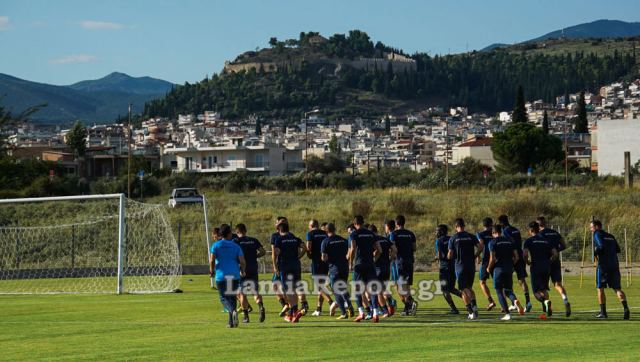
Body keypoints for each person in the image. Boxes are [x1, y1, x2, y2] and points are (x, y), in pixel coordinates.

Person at [591, 220, 630, 320]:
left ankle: (603, 313)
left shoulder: (597, 234)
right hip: (614, 265)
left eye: (591, 227)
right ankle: (626, 309)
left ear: (596, 227)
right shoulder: (611, 236)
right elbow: (618, 249)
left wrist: (595, 252)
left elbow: (601, 246)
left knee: (600, 289)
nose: (591, 229)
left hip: (603, 266)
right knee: (617, 289)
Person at [210, 224, 246, 328]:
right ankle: (231, 322)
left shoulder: (216, 245)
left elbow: (212, 260)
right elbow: (242, 261)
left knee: (223, 297)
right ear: (229, 233)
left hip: (221, 276)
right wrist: (242, 270)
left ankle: (232, 312)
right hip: (234, 275)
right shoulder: (235, 246)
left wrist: (212, 270)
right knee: (232, 297)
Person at [348, 215, 383, 323]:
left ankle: (361, 313)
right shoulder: (371, 234)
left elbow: (353, 249)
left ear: (355, 224)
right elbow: (379, 250)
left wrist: (350, 263)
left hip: (359, 264)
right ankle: (376, 314)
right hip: (370, 264)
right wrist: (373, 259)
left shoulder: (354, 234)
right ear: (363, 222)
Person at [487, 224, 524, 320]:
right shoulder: (510, 241)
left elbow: (492, 258)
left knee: (499, 290)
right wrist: (511, 265)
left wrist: (488, 268)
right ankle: (515, 301)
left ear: (493, 233)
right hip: (509, 268)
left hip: (498, 269)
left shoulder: (492, 242)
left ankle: (507, 314)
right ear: (501, 231)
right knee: (508, 290)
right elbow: (517, 257)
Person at [273, 222, 308, 323]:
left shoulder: (279, 239)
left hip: (285, 266)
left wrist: (276, 266)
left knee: (289, 289)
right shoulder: (295, 238)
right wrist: (298, 256)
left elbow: (276, 253)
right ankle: (294, 312)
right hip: (296, 265)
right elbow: (305, 248)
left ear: (279, 230)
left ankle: (294, 310)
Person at [537, 216, 571, 317]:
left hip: (545, 261)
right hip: (556, 261)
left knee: (542, 287)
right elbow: (564, 245)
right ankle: (565, 301)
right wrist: (556, 252)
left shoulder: (540, 234)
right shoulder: (555, 233)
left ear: (538, 225)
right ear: (546, 223)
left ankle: (548, 307)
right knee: (557, 284)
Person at [447, 218, 481, 319]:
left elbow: (450, 254)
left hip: (460, 266)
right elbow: (480, 246)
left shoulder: (453, 238)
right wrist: (475, 256)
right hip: (471, 266)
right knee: (469, 288)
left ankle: (471, 312)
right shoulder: (471, 236)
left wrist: (449, 257)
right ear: (464, 226)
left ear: (456, 227)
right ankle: (474, 307)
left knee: (463, 290)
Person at [321, 223, 355, 319]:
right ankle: (348, 306)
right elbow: (350, 251)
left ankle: (344, 311)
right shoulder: (343, 240)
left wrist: (328, 260)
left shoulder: (325, 241)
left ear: (326, 231)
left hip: (334, 268)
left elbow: (324, 257)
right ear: (335, 229)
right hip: (344, 267)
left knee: (336, 290)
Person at [498, 214, 532, 312]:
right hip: (520, 256)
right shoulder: (516, 230)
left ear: (501, 223)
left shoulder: (505, 231)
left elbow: (511, 242)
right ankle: (528, 302)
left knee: (506, 281)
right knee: (522, 280)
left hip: (512, 257)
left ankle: (511, 302)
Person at [523, 221, 557, 317]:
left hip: (535, 267)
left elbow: (525, 254)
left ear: (531, 230)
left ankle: (545, 302)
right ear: (538, 229)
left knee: (536, 291)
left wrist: (527, 262)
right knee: (544, 288)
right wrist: (549, 261)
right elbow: (555, 254)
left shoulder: (529, 241)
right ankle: (546, 308)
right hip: (546, 267)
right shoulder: (547, 240)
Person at [234, 223, 266, 323]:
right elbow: (263, 251)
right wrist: (254, 257)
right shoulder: (253, 240)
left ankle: (246, 317)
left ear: (237, 231)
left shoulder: (236, 241)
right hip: (253, 267)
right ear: (245, 230)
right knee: (255, 290)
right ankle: (260, 306)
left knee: (242, 293)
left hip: (242, 269)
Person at [389, 215, 418, 316]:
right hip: (409, 261)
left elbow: (393, 248)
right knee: (406, 285)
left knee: (400, 286)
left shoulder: (394, 234)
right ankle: (407, 308)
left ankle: (411, 302)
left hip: (399, 262)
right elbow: (414, 248)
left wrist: (390, 258)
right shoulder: (411, 234)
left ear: (396, 224)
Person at [306, 219, 336, 316]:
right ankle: (318, 309)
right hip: (326, 262)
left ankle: (331, 302)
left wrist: (308, 254)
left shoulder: (310, 234)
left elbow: (309, 247)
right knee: (322, 285)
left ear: (311, 226)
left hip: (316, 262)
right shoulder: (325, 233)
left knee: (319, 286)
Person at [435, 224, 462, 314]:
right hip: (454, 266)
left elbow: (439, 255)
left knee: (444, 290)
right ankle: (469, 299)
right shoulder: (452, 238)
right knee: (451, 288)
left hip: (444, 267)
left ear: (441, 231)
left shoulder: (439, 241)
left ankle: (454, 309)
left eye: (437, 231)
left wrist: (436, 258)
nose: (436, 233)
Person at [371, 223, 397, 317]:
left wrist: (374, 258)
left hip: (378, 268)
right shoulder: (386, 239)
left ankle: (386, 311)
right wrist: (391, 259)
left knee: (378, 291)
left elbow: (377, 251)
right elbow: (394, 249)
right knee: (383, 288)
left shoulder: (373, 240)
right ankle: (391, 303)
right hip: (387, 268)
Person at [476, 218, 496, 311]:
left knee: (482, 282)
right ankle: (508, 304)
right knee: (499, 283)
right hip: (496, 259)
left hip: (486, 260)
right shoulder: (495, 233)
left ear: (483, 225)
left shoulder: (480, 234)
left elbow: (481, 245)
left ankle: (491, 301)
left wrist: (476, 255)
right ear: (491, 224)